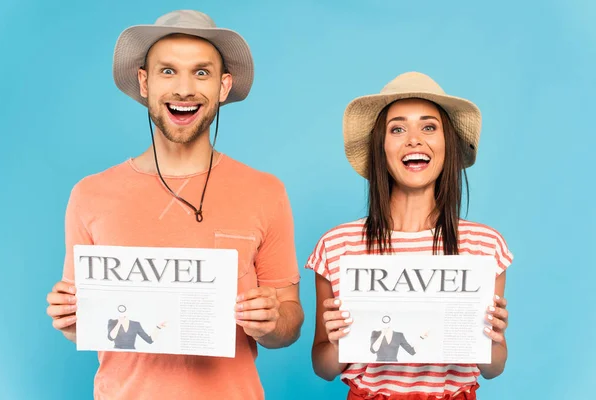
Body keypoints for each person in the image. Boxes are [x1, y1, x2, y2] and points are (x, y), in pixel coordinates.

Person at [45, 10, 303, 400]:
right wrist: (68, 318)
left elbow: (289, 322)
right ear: (145, 82)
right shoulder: (90, 194)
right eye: (168, 72)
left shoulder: (265, 191)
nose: (184, 89)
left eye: (201, 73)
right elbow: (85, 324)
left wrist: (271, 321)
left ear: (223, 86)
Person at [306, 72, 513, 399]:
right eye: (398, 128)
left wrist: (491, 340)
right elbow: (323, 366)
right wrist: (335, 342)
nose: (414, 139)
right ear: (381, 148)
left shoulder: (484, 246)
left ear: (448, 145)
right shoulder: (337, 246)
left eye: (429, 127)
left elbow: (494, 367)